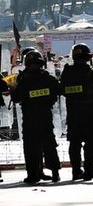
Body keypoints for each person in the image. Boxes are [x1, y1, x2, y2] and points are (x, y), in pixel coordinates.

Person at [60, 43, 93, 181]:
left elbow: (62, 90)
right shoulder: (92, 73)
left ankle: (76, 171)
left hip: (73, 114)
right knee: (91, 143)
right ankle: (89, 170)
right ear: (87, 58)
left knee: (74, 143)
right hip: (89, 114)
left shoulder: (67, 72)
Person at [11, 50, 61, 184]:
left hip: (30, 120)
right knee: (49, 146)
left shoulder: (23, 81)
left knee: (31, 148)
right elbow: (59, 90)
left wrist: (13, 86)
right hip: (45, 118)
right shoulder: (48, 78)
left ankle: (34, 175)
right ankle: (54, 172)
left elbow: (15, 98)